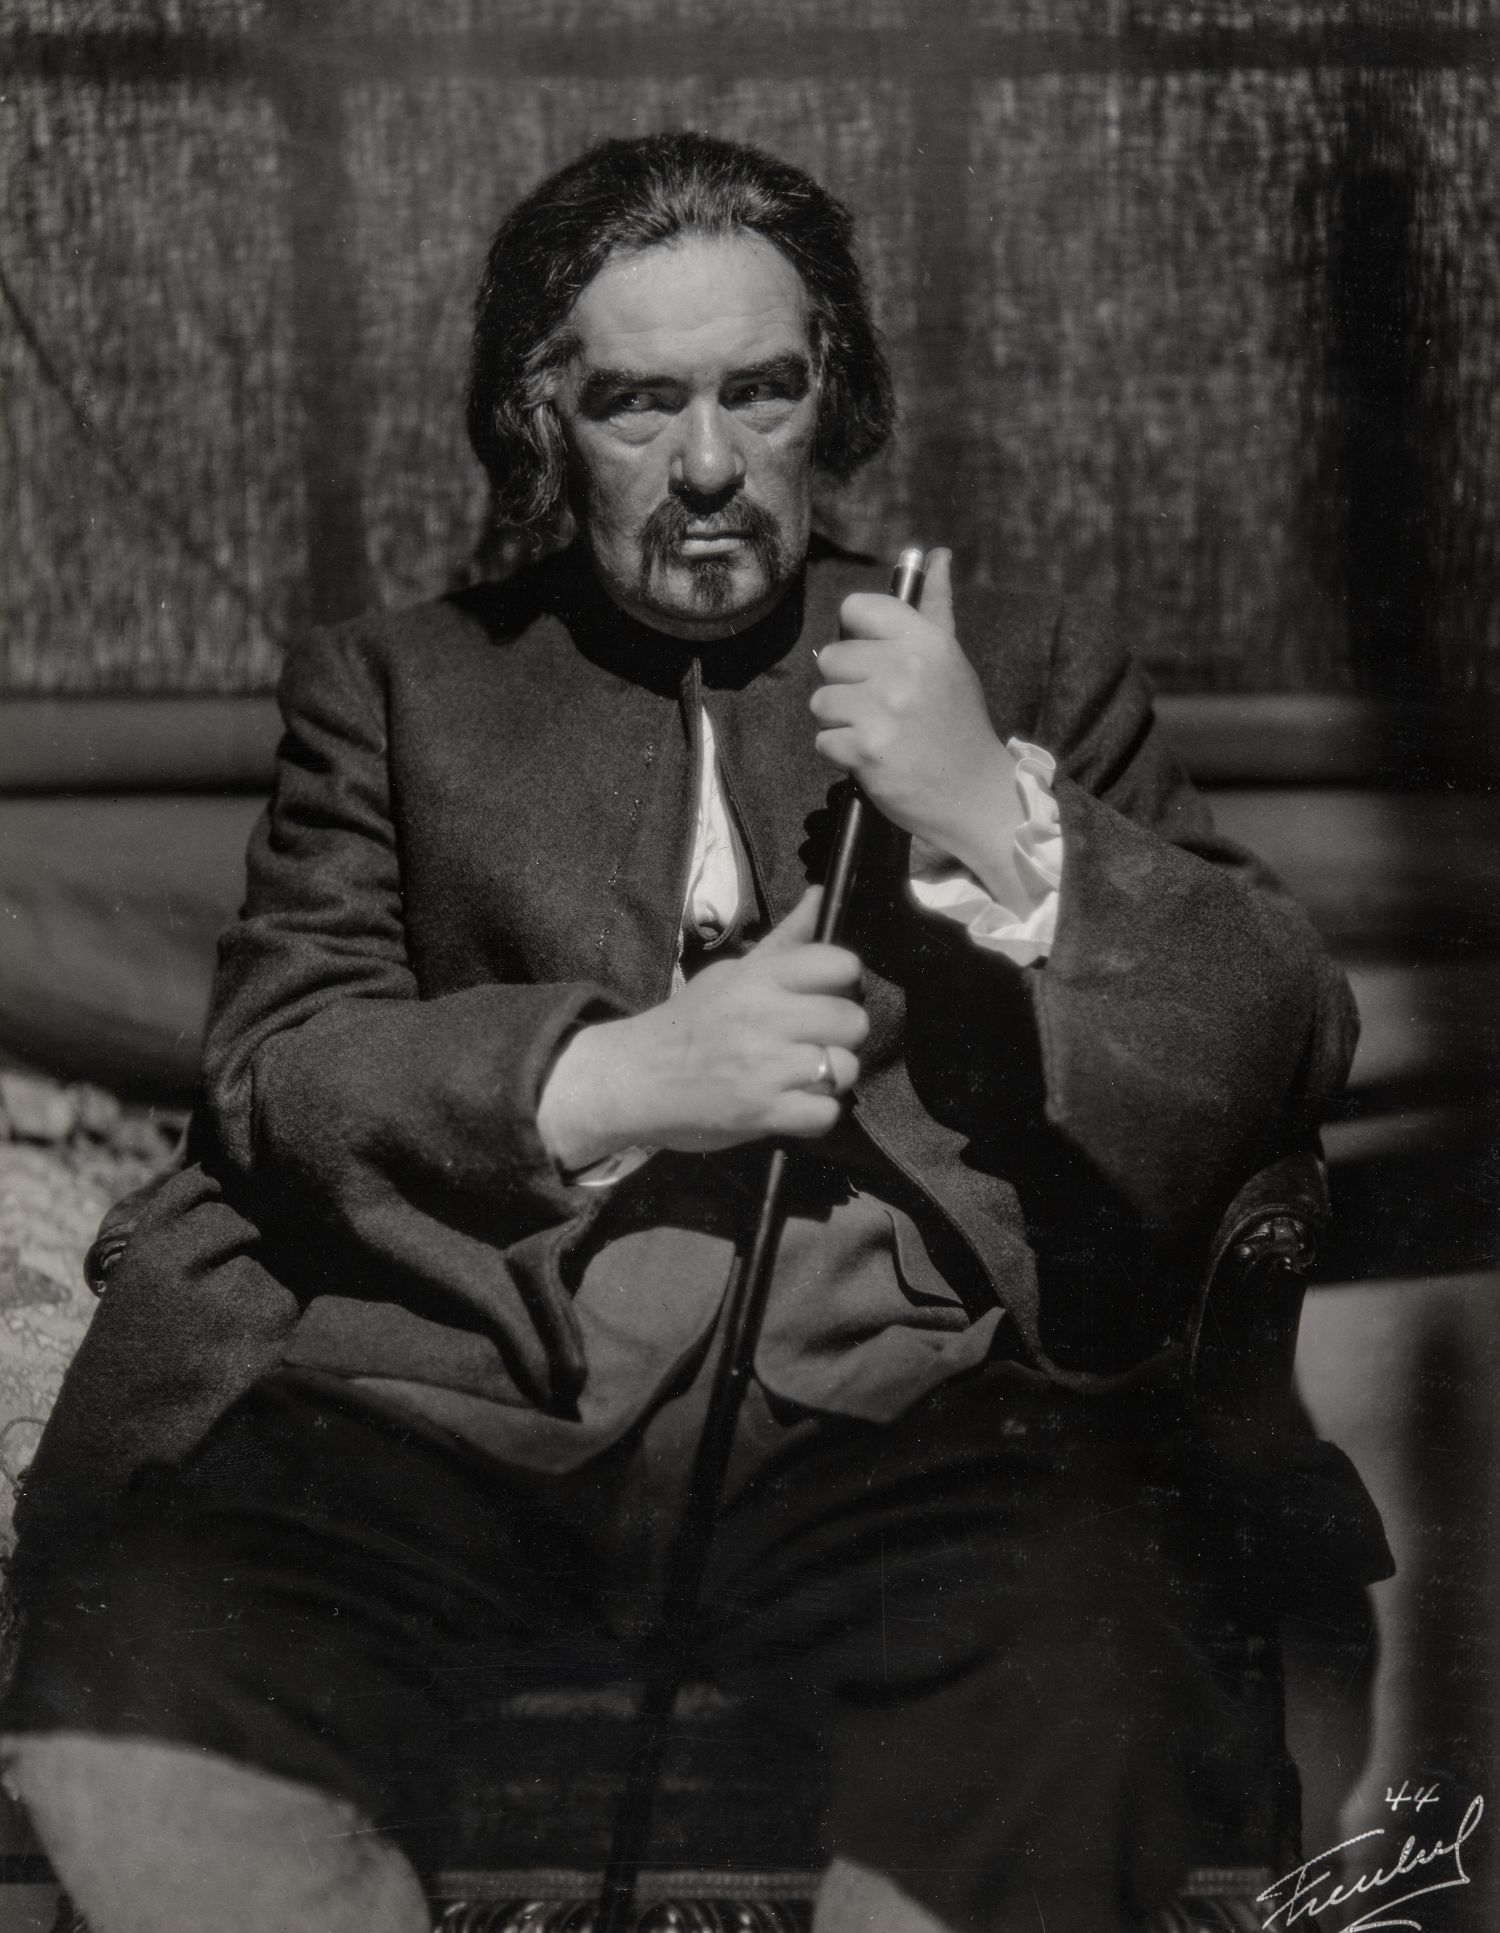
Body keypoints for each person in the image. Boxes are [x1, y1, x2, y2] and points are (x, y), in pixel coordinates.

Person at [0, 133, 1387, 1933]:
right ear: (543, 423)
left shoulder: (1018, 664)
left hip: (910, 1425)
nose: (713, 464)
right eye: (641, 403)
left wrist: (995, 811)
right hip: (454, 1399)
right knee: (147, 1677)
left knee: (1084, 1670)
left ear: (834, 399)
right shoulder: (401, 688)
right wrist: (616, 1075)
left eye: (764, 391)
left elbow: (1280, 1027)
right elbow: (282, 1066)